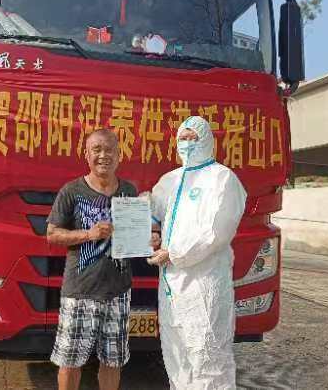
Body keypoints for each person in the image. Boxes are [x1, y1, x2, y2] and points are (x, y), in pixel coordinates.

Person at [147, 116, 247, 389]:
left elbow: (216, 232)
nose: (188, 144)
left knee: (208, 356)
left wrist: (173, 253)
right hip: (171, 287)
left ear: (208, 140)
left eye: (194, 138)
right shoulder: (169, 180)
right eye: (183, 138)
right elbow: (154, 214)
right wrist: (147, 226)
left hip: (204, 284)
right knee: (176, 356)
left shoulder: (222, 179)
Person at [46, 129, 137, 390]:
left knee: (113, 361)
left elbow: (136, 238)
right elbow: (52, 234)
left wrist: (148, 239)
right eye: (97, 150)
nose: (103, 155)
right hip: (80, 292)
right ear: (86, 155)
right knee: (70, 361)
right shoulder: (71, 191)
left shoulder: (129, 191)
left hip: (118, 293)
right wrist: (89, 234)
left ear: (119, 155)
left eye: (109, 150)